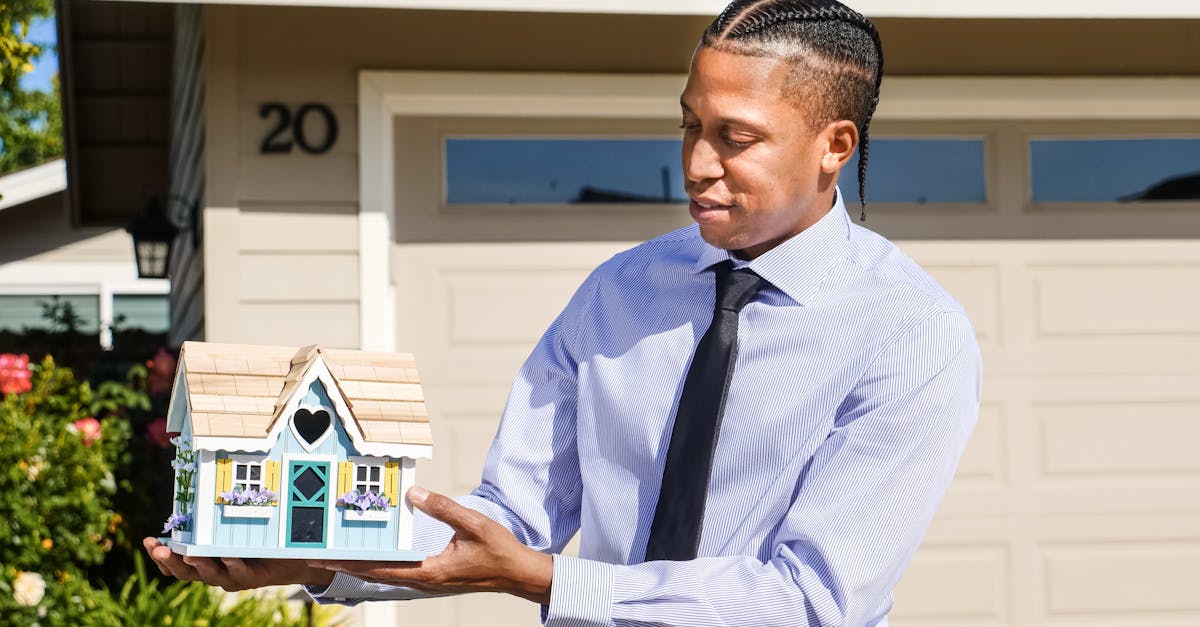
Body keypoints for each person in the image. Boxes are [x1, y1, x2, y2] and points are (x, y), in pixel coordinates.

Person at [145, 1, 981, 624]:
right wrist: (315, 559)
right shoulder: (619, 292)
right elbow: (509, 517)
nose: (695, 163)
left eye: (736, 136)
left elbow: (811, 598)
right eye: (689, 124)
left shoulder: (909, 336)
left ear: (835, 145)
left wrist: (546, 578)